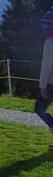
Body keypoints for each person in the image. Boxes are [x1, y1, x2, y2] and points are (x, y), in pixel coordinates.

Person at [36, 9, 53, 147]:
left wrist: (43, 85)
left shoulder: (50, 42)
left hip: (51, 83)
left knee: (40, 108)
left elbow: (46, 66)